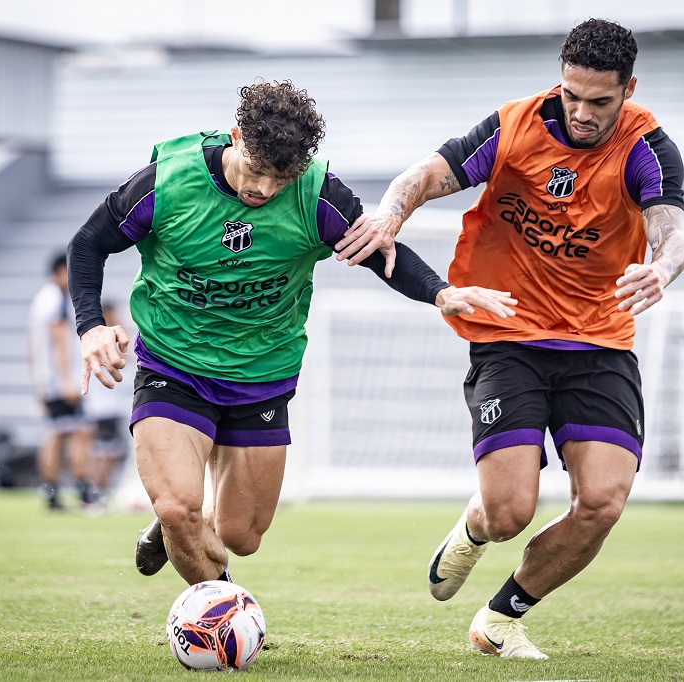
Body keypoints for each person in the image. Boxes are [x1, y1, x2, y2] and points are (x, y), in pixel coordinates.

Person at [66, 79, 516, 588]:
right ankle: (219, 605)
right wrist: (91, 327)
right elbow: (88, 243)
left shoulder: (317, 194)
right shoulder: (168, 181)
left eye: (280, 179)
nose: (263, 190)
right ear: (236, 136)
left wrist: (440, 292)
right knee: (177, 507)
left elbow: (380, 252)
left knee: (242, 535)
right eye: (255, 170)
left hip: (263, 371)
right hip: (175, 361)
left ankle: (186, 524)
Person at [335, 19, 684, 659]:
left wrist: (661, 268)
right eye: (571, 95)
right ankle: (474, 529)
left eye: (600, 101)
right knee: (508, 514)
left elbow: (672, 230)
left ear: (628, 89)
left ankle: (501, 617)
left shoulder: (646, 148)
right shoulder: (514, 126)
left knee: (603, 503)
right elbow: (428, 173)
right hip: (509, 333)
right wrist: (389, 215)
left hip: (599, 341)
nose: (581, 112)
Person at [27, 251, 95, 510]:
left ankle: (51, 491)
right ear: (59, 272)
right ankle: (84, 490)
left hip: (47, 380)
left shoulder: (41, 300)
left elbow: (32, 345)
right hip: (61, 380)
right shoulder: (56, 299)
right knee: (79, 433)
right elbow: (59, 341)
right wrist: (68, 380)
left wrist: (38, 379)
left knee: (55, 433)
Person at [83, 299, 133, 505]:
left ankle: (97, 491)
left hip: (110, 404)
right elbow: (124, 357)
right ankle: (96, 492)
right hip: (104, 405)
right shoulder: (103, 339)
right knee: (106, 451)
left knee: (108, 450)